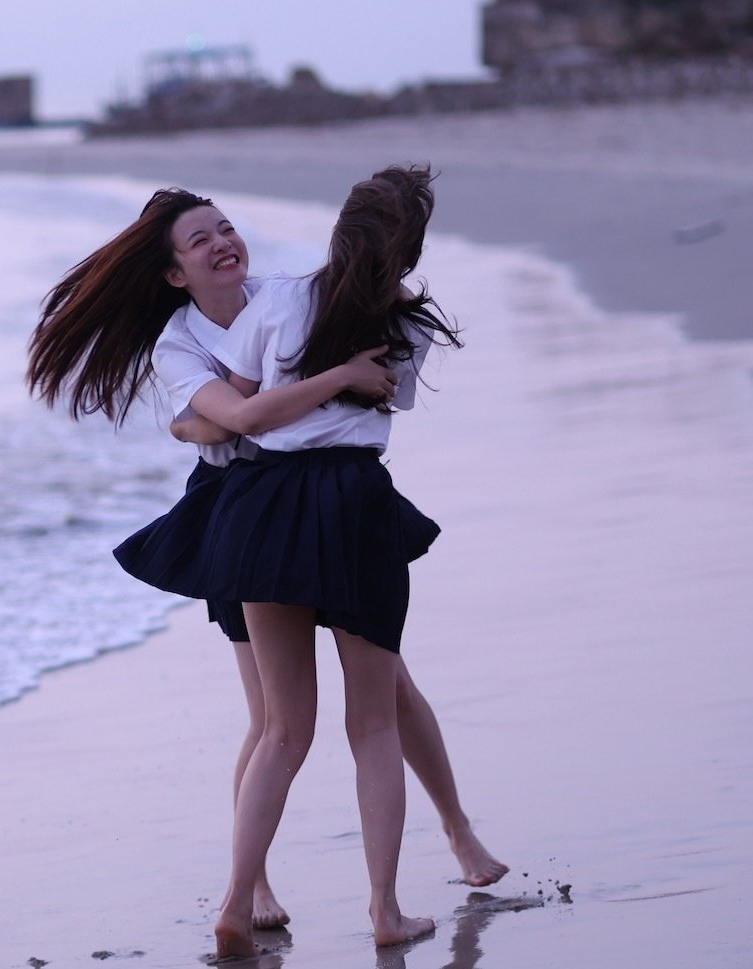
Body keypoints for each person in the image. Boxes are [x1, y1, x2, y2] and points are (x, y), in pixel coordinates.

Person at [27, 179, 506, 947]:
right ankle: (267, 888)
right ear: (174, 273)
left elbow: (242, 407)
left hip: (263, 499)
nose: (223, 243)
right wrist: (227, 415)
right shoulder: (186, 338)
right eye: (201, 239)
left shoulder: (276, 297)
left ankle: (453, 832)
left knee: (349, 702)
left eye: (225, 227)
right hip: (238, 504)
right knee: (294, 717)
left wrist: (207, 420)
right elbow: (243, 416)